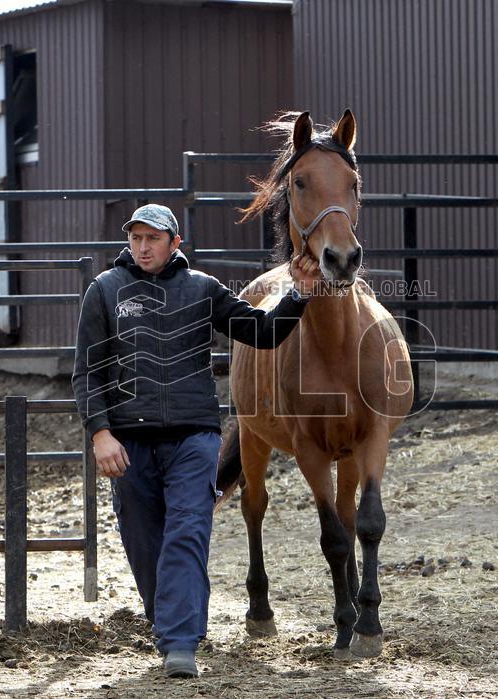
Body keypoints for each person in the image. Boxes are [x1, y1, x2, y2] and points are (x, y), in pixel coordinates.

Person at [72, 204, 320, 678]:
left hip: (194, 437)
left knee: (187, 531)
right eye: (136, 238)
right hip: (128, 440)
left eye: (152, 238)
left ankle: (181, 642)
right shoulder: (104, 291)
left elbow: (262, 333)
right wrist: (100, 434)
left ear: (174, 242)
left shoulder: (204, 289)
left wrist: (300, 296)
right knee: (144, 541)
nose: (142, 247)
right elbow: (87, 372)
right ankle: (167, 622)